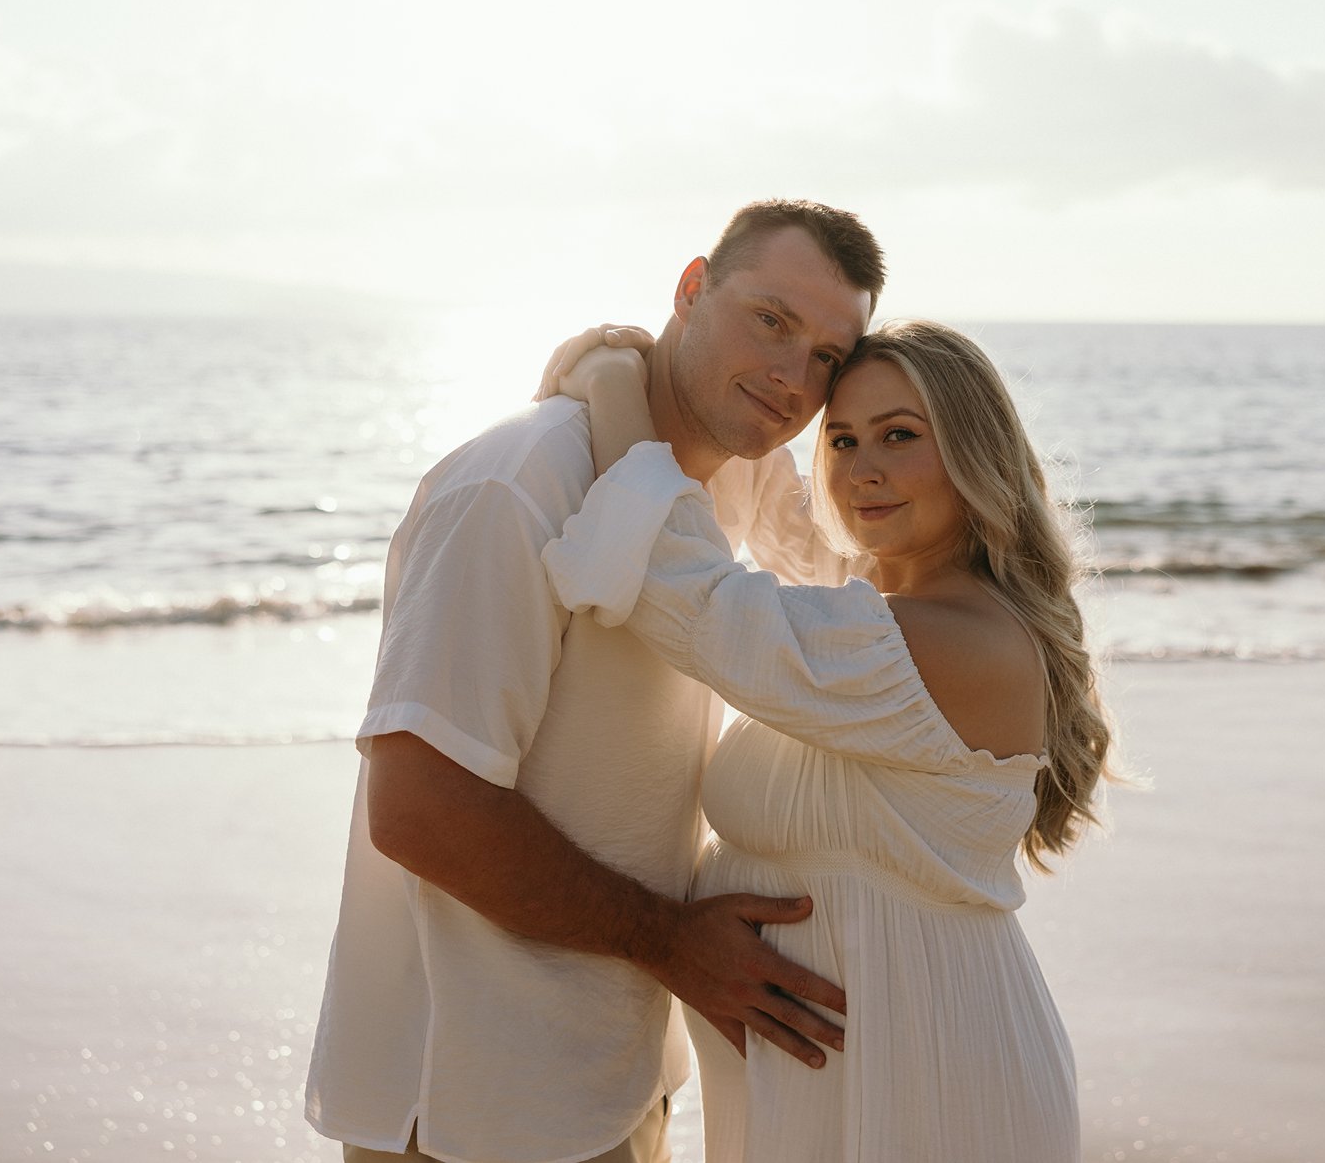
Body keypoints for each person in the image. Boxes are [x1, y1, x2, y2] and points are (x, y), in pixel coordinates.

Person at [305, 200, 887, 1163]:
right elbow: (419, 808)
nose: (793, 377)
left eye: (828, 356)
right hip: (471, 1100)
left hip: (615, 1079)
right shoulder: (513, 487)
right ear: (691, 288)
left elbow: (859, 592)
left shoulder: (731, 483)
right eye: (771, 322)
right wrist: (670, 940)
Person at [541, 319, 1118, 1162]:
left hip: (924, 1077)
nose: (863, 470)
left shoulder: (945, 641)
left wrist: (611, 381)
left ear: (973, 453)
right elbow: (785, 525)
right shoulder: (880, 612)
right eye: (842, 440)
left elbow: (686, 596)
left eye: (900, 436)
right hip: (833, 1075)